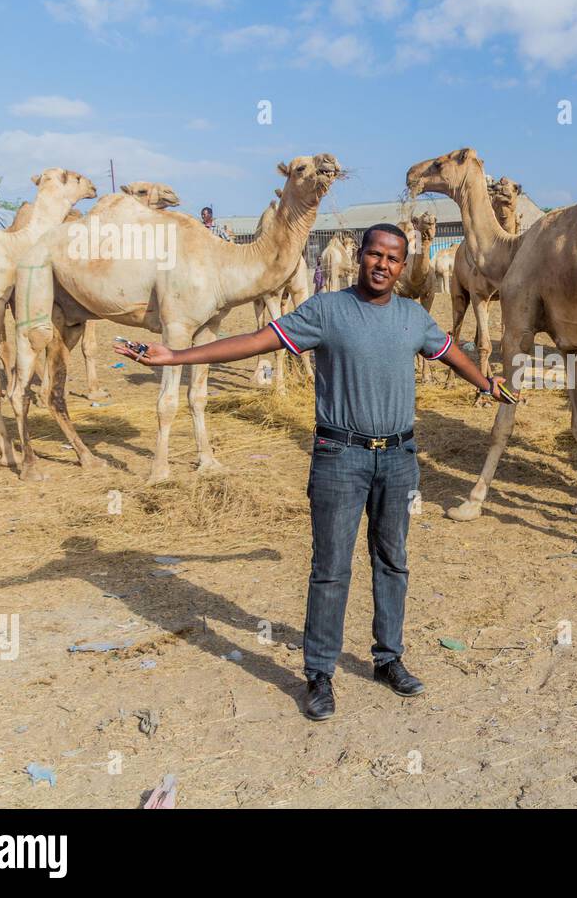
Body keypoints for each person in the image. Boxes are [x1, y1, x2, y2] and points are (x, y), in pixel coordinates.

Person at [114, 223, 515, 721]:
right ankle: (319, 674)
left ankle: (388, 659)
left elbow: (449, 350)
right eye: (375, 255)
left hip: (397, 458)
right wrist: (177, 354)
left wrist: (485, 381)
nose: (383, 265)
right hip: (339, 457)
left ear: (403, 264)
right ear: (360, 256)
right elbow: (258, 341)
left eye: (393, 258)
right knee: (331, 569)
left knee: (393, 561)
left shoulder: (414, 317)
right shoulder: (326, 311)